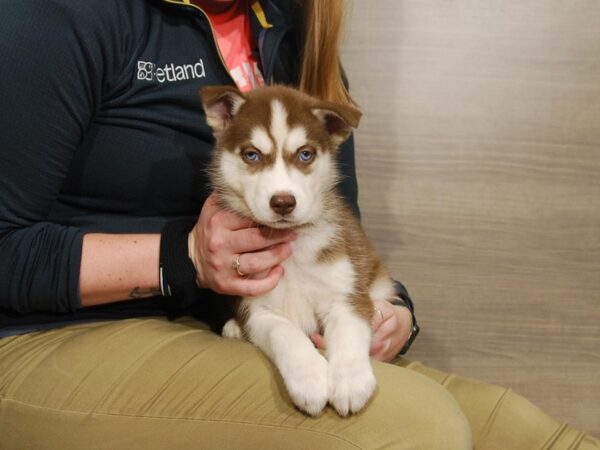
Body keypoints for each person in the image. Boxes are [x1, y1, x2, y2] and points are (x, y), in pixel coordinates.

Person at [0, 0, 597, 448]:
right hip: (48, 337)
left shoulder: (291, 30)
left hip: (221, 329)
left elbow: (341, 233)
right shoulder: (58, 15)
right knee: (418, 429)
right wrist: (180, 257)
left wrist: (394, 314)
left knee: (530, 435)